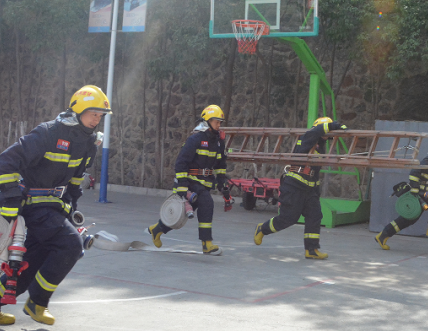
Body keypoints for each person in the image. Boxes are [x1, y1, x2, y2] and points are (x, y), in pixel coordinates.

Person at [0, 85, 108, 325]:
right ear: (78, 110)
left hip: (51, 208)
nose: (96, 120)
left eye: (100, 116)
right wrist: (12, 198)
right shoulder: (48, 133)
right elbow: (6, 161)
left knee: (31, 263)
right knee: (71, 245)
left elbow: (76, 180)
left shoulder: (88, 143)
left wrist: (71, 207)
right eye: (93, 114)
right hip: (29, 206)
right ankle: (37, 302)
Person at [253, 117, 347, 259]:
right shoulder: (307, 137)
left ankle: (312, 249)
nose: (327, 137)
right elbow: (316, 132)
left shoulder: (320, 146)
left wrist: (316, 191)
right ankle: (262, 229)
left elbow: (314, 172)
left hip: (309, 189)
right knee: (288, 218)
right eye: (327, 132)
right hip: (294, 186)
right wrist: (334, 125)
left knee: (315, 216)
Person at [148, 105, 231, 254]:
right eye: (216, 121)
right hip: (190, 182)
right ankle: (207, 244)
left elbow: (220, 165)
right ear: (207, 121)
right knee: (207, 203)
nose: (219, 125)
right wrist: (182, 186)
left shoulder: (219, 142)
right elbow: (181, 163)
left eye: (220, 122)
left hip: (203, 184)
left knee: (180, 215)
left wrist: (222, 183)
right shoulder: (195, 139)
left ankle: (157, 229)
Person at [375, 134, 428, 249]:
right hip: (421, 192)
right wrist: (414, 190)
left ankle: (382, 236)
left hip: (426, 192)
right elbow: (414, 172)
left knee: (409, 219)